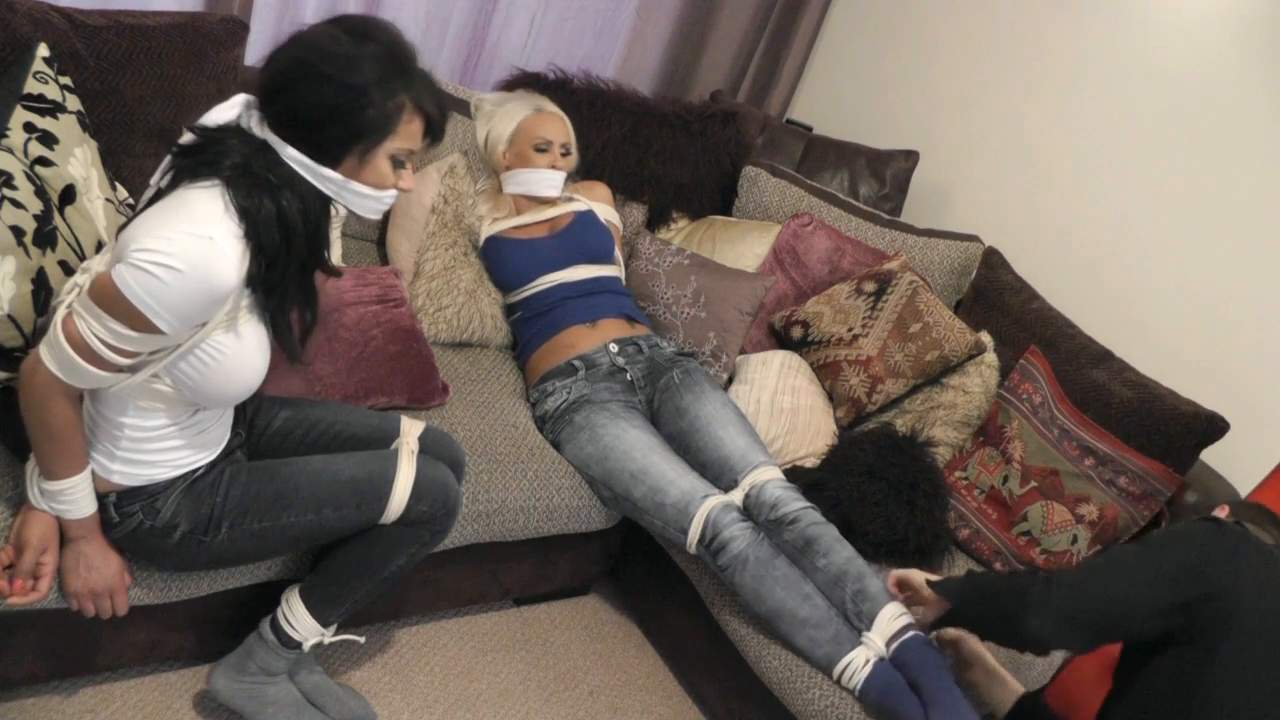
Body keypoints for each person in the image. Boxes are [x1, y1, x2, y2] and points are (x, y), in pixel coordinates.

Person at [0, 16, 464, 720]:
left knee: (444, 455)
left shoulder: (255, 139)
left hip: (220, 424)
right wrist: (75, 525)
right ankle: (259, 668)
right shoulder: (201, 248)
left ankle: (292, 648)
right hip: (156, 496)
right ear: (331, 142)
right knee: (432, 495)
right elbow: (47, 377)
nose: (406, 183)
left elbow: (112, 313)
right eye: (398, 161)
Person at [468, 89, 977, 720]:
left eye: (566, 149)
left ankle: (929, 675)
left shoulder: (593, 196)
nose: (557, 160)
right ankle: (886, 692)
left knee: (775, 498)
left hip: (658, 363)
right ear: (504, 152)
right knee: (720, 528)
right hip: (575, 394)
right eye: (541, 147)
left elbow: (609, 271)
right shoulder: (479, 214)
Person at [889, 500, 1280, 720]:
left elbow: (1047, 614)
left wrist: (949, 593)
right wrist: (979, 664)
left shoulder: (1226, 547)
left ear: (1220, 513)